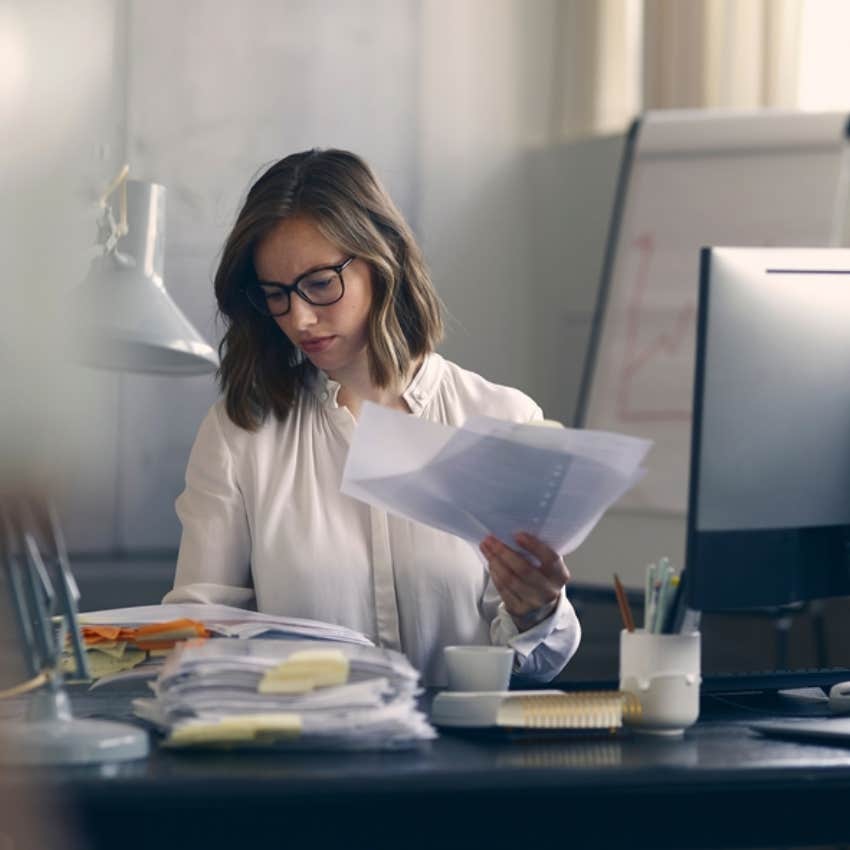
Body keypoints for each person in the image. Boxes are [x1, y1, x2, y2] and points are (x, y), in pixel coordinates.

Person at [164, 149, 580, 685]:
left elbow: (540, 664)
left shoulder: (500, 419)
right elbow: (198, 628)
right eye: (276, 295)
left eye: (319, 284)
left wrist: (534, 612)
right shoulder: (241, 433)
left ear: (383, 261)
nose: (300, 318)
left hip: (466, 759)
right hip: (305, 754)